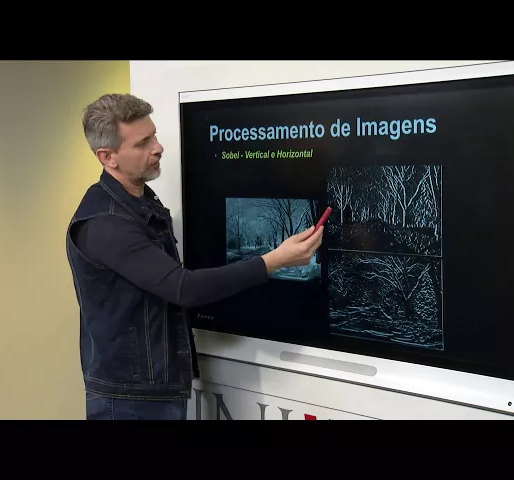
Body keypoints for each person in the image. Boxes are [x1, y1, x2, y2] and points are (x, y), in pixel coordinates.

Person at [66, 93, 324, 420]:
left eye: (154, 135)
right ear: (108, 157)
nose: (158, 147)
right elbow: (183, 288)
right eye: (143, 143)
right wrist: (275, 260)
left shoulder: (140, 202)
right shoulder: (106, 224)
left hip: (153, 389)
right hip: (131, 399)